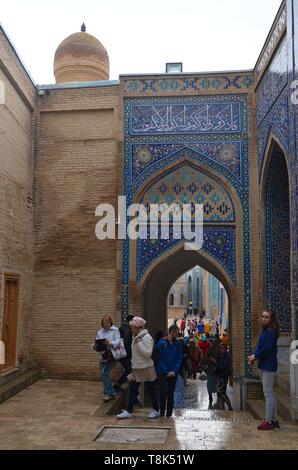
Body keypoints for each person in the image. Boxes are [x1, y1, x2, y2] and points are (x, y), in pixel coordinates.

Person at [117, 317, 160, 419]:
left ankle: (156, 410)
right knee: (133, 389)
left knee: (150, 390)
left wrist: (139, 344)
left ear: (137, 327)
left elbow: (148, 353)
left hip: (146, 368)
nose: (131, 329)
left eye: (132, 328)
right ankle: (129, 410)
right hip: (137, 367)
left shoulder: (146, 337)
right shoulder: (136, 337)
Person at [249, 309, 279, 431]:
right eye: (263, 316)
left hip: (269, 365)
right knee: (270, 392)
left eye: (267, 317)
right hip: (264, 364)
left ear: (271, 319)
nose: (264, 318)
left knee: (267, 393)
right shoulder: (265, 331)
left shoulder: (271, 332)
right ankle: (275, 419)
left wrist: (255, 356)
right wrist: (254, 355)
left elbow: (266, 348)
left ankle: (268, 421)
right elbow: (259, 346)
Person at [157, 325, 183, 417]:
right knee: (162, 392)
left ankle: (169, 414)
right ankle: (162, 412)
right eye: (175, 332)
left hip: (173, 373)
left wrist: (174, 371)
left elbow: (179, 359)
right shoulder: (161, 343)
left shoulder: (178, 344)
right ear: (170, 331)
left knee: (170, 393)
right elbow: (159, 359)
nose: (177, 334)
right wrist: (166, 372)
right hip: (163, 372)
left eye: (177, 332)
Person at [95, 315, 121, 401]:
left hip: (112, 356)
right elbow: (97, 343)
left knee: (104, 372)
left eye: (108, 322)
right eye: (104, 322)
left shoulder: (115, 330)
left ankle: (107, 393)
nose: (106, 324)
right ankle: (112, 393)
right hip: (103, 356)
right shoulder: (100, 332)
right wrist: (95, 346)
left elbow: (118, 342)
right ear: (102, 323)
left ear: (110, 322)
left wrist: (109, 343)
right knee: (104, 375)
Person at [114, 314, 134, 393]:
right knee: (129, 370)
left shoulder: (124, 328)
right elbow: (126, 342)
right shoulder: (126, 328)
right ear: (130, 321)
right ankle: (117, 385)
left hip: (124, 354)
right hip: (125, 354)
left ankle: (118, 384)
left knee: (128, 370)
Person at [214, 343, 233, 411]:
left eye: (222, 348)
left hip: (223, 376)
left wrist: (215, 362)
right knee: (221, 392)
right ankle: (222, 407)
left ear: (225, 349)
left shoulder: (226, 356)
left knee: (220, 392)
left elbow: (222, 366)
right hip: (219, 376)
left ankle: (229, 406)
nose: (221, 350)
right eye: (220, 348)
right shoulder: (220, 355)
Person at [206, 339, 220, 409]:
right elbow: (206, 358)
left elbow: (221, 358)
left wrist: (216, 363)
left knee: (217, 384)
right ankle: (210, 397)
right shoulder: (209, 349)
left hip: (217, 371)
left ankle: (218, 397)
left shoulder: (220, 349)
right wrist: (210, 360)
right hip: (210, 370)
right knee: (210, 384)